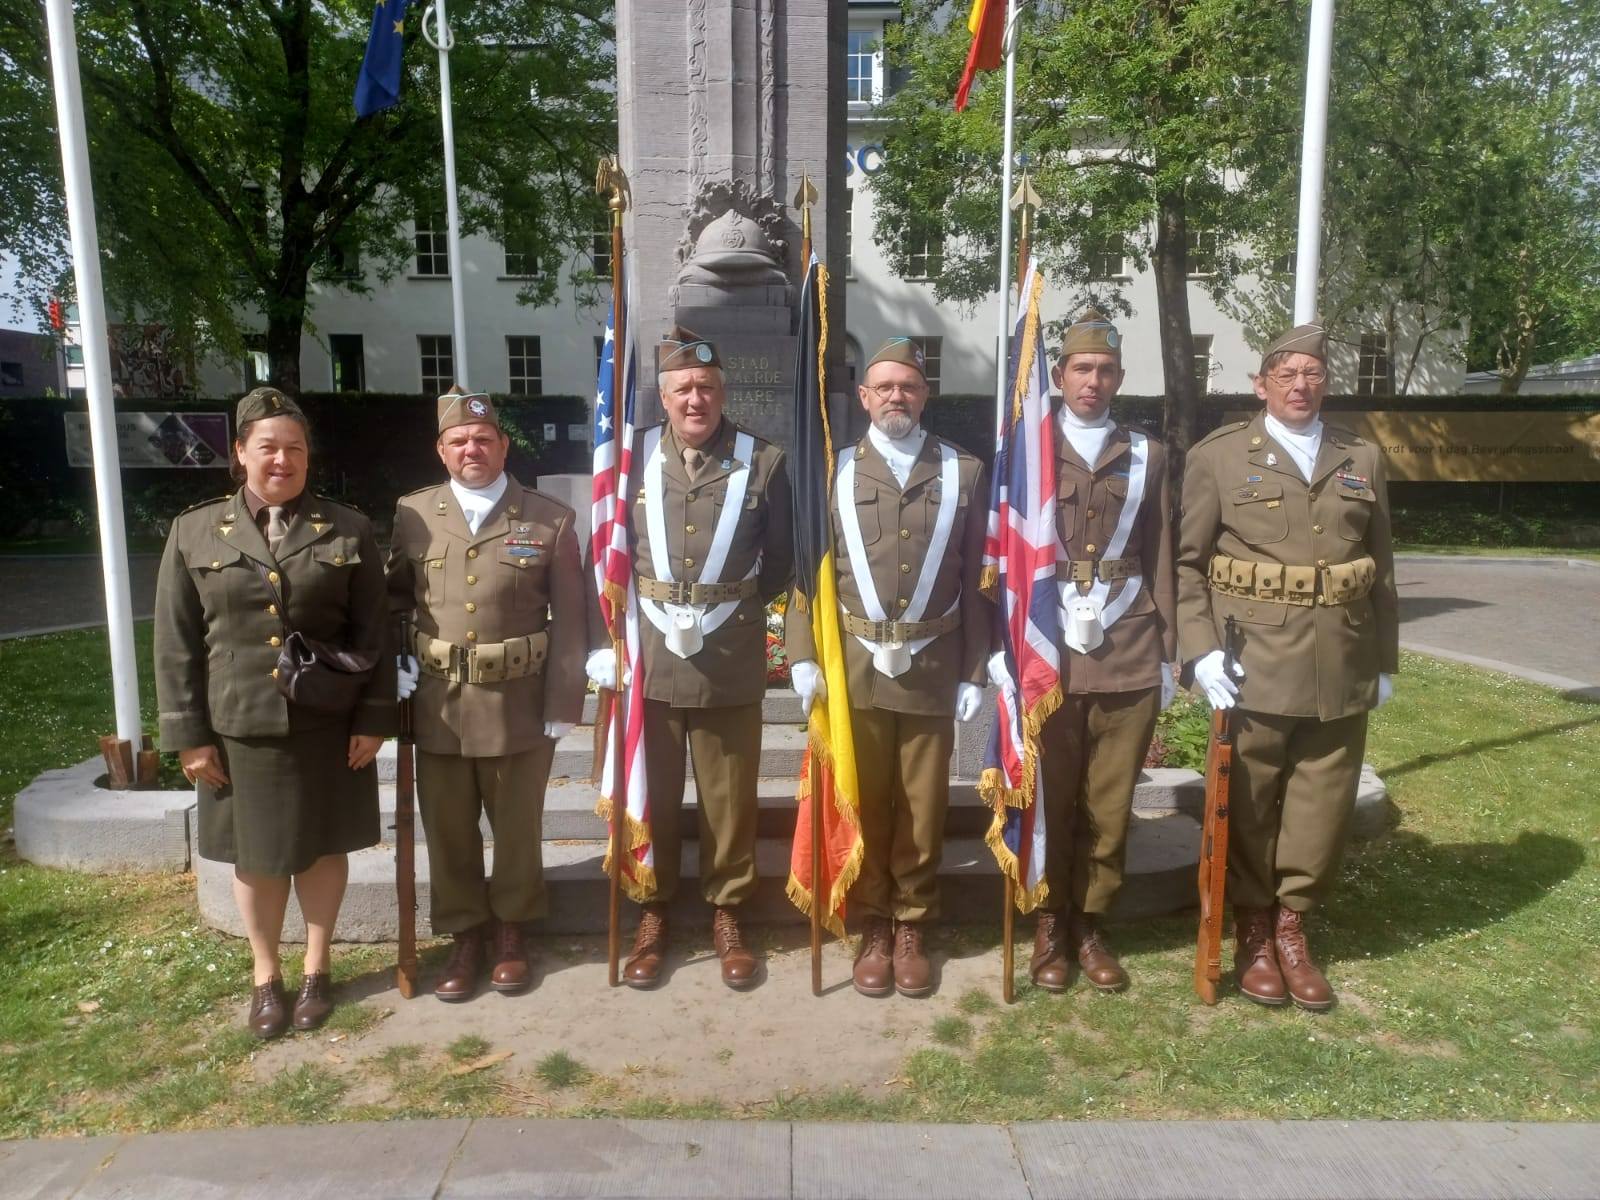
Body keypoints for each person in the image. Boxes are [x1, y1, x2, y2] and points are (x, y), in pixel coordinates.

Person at [155, 387, 396, 1039]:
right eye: (268, 447)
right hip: (240, 727)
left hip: (328, 724)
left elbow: (374, 631)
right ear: (240, 453)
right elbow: (176, 642)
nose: (282, 460)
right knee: (257, 856)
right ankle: (266, 975)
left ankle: (317, 967)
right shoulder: (194, 531)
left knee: (322, 848)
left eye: (295, 448)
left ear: (309, 457)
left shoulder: (347, 529)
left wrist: (374, 719)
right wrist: (189, 736)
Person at [1177, 323, 1398, 1011]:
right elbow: (1188, 564)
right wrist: (1199, 650)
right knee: (1247, 800)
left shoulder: (1360, 456)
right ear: (1261, 385)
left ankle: (1292, 926)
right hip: (1256, 663)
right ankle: (1252, 928)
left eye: (1313, 373)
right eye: (1286, 374)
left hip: (1342, 662)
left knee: (1322, 803)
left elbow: (1382, 566)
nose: (1300, 385)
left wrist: (1384, 660)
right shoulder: (1219, 457)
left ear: (1326, 382)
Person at [587, 326, 793, 990]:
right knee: (653, 791)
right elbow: (607, 550)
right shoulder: (632, 458)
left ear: (722, 392)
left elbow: (780, 561)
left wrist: (722, 606)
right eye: (682, 389)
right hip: (649, 656)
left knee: (728, 798)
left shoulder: (764, 461)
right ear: (664, 396)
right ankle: (653, 911)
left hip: (728, 653)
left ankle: (728, 913)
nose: (695, 399)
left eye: (705, 386)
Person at [786, 337, 990, 998]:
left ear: (925, 395)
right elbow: (808, 573)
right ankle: (874, 921)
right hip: (855, 669)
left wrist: (975, 669)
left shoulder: (964, 471)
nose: (896, 396)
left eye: (909, 386)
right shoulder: (833, 470)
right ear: (864, 397)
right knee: (866, 801)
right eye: (884, 387)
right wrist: (801, 654)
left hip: (933, 665)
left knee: (924, 807)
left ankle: (912, 923)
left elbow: (980, 578)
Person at [386, 387, 585, 1002]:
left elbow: (572, 617)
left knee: (517, 827)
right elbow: (393, 600)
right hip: (439, 703)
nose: (471, 448)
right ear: (442, 450)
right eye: (459, 441)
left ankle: (512, 933)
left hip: (517, 702)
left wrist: (563, 702)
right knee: (448, 829)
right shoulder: (414, 514)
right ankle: (464, 935)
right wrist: (395, 662)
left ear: (502, 446)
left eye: (482, 438)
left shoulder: (549, 519)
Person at [1013, 310, 1177, 995]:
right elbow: (1005, 552)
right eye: (1082, 367)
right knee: (1050, 801)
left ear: (1120, 378)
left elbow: (1162, 552)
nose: (1093, 380)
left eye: (1106, 370)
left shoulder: (1148, 454)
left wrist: (1169, 652)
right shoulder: (1026, 450)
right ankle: (1049, 921)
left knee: (1109, 807)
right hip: (1048, 651)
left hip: (1126, 647)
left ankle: (1091, 923)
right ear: (1058, 375)